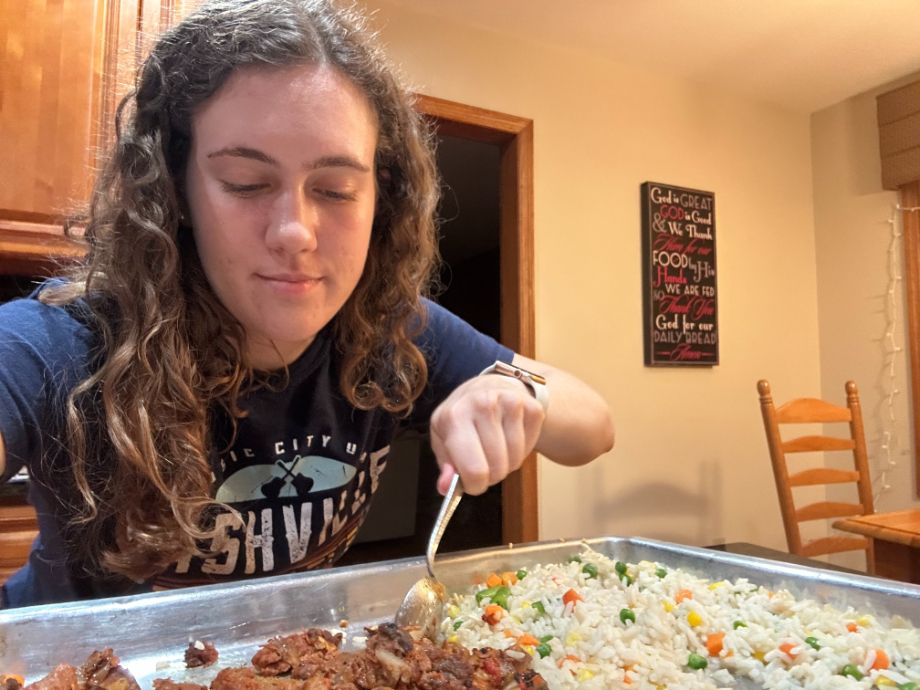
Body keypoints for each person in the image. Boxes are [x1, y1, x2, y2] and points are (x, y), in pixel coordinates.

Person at [0, 0, 614, 608]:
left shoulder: (390, 331)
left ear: (382, 201)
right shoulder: (61, 345)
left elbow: (593, 427)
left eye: (335, 190)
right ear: (174, 192)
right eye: (246, 183)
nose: (295, 230)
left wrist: (516, 394)